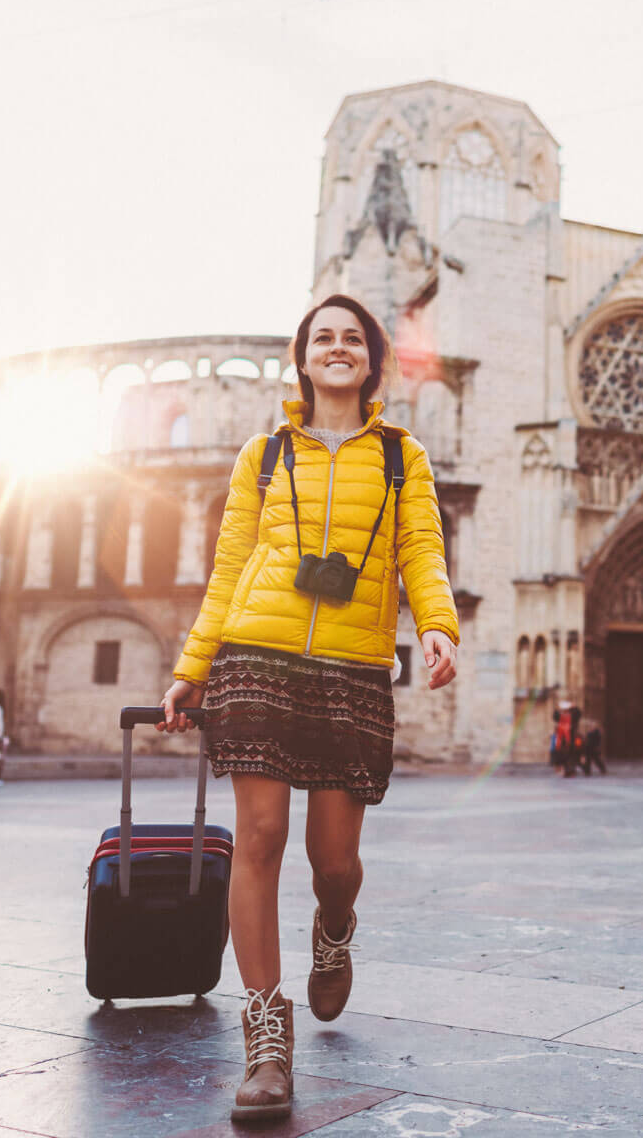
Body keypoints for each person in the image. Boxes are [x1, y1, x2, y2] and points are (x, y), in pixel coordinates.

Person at [158, 293, 459, 1123]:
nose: (336, 348)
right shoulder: (262, 455)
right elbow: (228, 568)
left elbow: (421, 552)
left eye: (351, 338)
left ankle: (336, 927)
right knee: (257, 839)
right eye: (322, 337)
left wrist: (436, 626)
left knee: (334, 860)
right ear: (303, 358)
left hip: (353, 668)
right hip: (258, 658)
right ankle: (264, 1041)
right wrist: (194, 665)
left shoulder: (403, 459)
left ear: (371, 360)